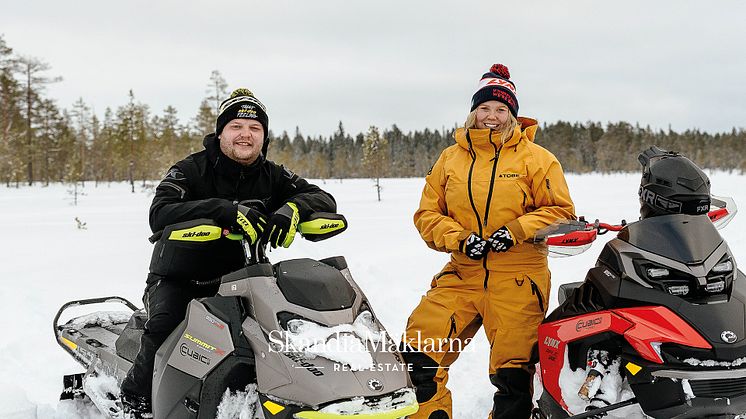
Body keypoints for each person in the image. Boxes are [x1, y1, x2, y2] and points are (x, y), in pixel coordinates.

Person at [119, 88, 336, 417]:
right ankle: (134, 401)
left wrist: (293, 208)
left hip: (249, 280)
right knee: (165, 326)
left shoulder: (273, 175)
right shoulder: (190, 170)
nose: (246, 135)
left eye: (255, 128)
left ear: (264, 136)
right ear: (221, 131)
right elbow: (160, 212)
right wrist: (223, 210)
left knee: (286, 333)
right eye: (236, 126)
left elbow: (323, 199)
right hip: (181, 279)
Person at [401, 64, 576, 419]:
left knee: (515, 377)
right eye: (484, 108)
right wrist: (461, 239)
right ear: (473, 112)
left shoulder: (537, 159)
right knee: (416, 356)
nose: (491, 116)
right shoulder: (450, 159)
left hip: (518, 278)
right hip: (463, 272)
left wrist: (515, 231)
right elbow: (427, 215)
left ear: (512, 113)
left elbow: (561, 211)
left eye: (500, 109)